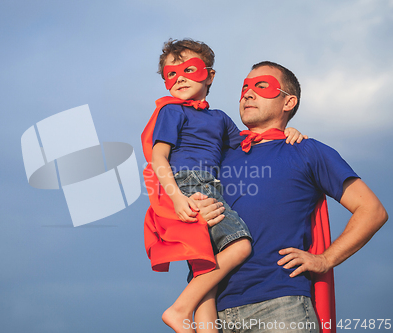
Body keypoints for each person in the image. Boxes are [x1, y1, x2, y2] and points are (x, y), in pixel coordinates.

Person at [194, 61, 388, 333]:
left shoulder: (306, 150)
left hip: (281, 308)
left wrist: (324, 259)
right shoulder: (218, 155)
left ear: (289, 102)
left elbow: (372, 210)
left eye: (262, 87)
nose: (248, 93)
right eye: (245, 88)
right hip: (212, 313)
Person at [142, 39, 306, 333]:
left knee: (206, 266)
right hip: (187, 185)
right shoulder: (172, 111)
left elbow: (249, 141)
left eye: (189, 70)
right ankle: (179, 310)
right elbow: (158, 156)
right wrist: (178, 198)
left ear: (210, 75)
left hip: (207, 187)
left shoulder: (218, 118)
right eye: (171, 74)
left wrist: (287, 131)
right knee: (240, 246)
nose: (179, 78)